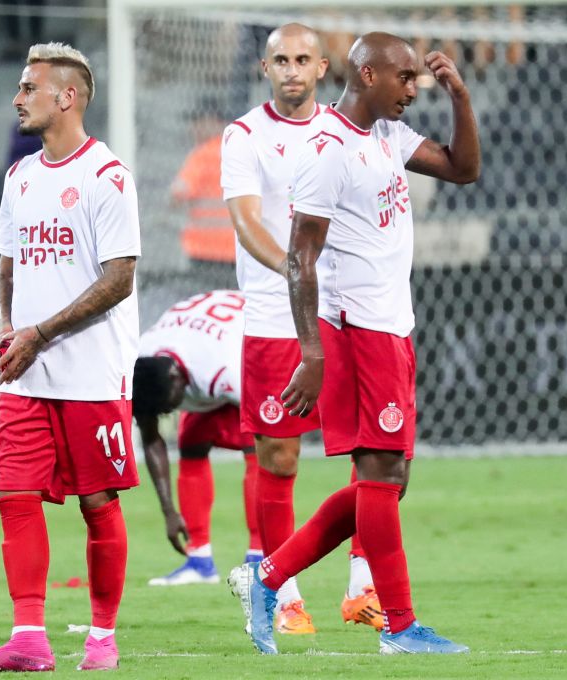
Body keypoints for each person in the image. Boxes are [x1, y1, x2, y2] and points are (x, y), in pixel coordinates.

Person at [228, 32, 480, 655]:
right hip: (355, 330)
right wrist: (313, 353)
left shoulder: (387, 134)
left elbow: (463, 169)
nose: (413, 89)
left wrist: (460, 97)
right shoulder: (329, 151)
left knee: (388, 482)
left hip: (391, 326)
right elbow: (299, 258)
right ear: (368, 75)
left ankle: (266, 576)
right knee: (381, 475)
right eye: (405, 79)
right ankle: (398, 625)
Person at [0, 42, 141, 673]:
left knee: (97, 504)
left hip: (92, 373)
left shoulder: (107, 177)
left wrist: (42, 332)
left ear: (68, 96)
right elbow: (7, 267)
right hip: (26, 373)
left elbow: (119, 279)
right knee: (13, 494)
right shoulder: (20, 177)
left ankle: (102, 639)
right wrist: (9, 327)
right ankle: (28, 639)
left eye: (29, 88)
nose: (17, 98)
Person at [221, 22, 382, 636]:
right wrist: (295, 270)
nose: (292, 69)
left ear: (322, 68)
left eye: (302, 59)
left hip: (346, 309)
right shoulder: (244, 135)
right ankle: (282, 594)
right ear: (265, 69)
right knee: (280, 456)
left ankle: (362, 586)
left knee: (373, 450)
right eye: (281, 60)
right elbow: (247, 223)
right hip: (273, 311)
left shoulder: (346, 132)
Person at [133, 290, 262, 586]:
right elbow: (151, 438)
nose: (169, 413)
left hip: (247, 346)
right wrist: (168, 511)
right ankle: (200, 562)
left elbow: (271, 437)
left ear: (177, 378)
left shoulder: (224, 369)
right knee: (190, 441)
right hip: (203, 341)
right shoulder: (141, 361)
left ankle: (258, 558)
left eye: (170, 406)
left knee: (256, 448)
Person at [172, 103, 236, 267]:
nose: (193, 128)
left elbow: (179, 192)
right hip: (237, 248)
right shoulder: (238, 150)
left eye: (198, 122)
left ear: (214, 122)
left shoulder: (203, 154)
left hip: (204, 248)